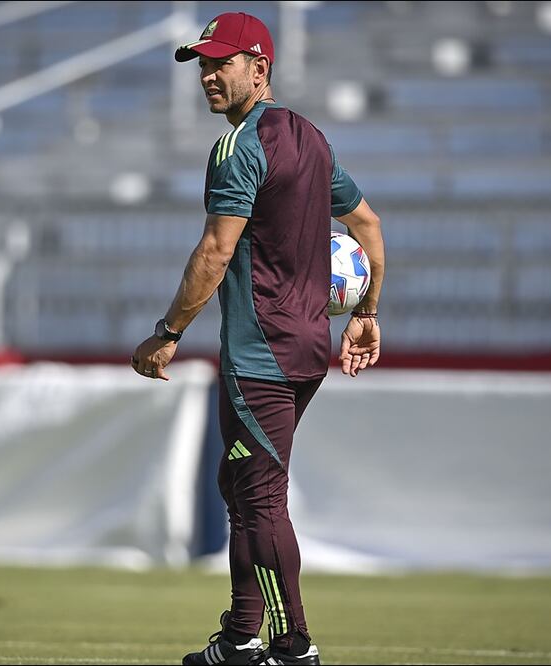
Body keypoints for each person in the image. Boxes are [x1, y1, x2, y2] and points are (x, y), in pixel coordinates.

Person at [130, 11, 384, 666]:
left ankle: (292, 646)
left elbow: (215, 253)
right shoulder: (310, 138)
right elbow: (367, 225)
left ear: (259, 68)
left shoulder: (239, 146)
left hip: (259, 355)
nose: (209, 76)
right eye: (203, 65)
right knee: (238, 484)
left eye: (222, 63)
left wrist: (166, 334)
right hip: (303, 351)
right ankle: (241, 637)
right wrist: (365, 312)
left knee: (261, 499)